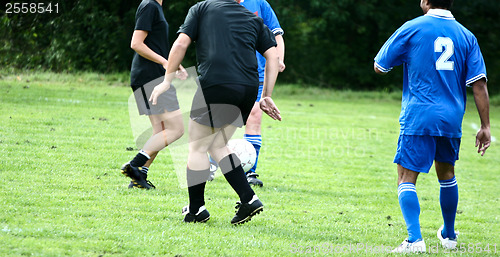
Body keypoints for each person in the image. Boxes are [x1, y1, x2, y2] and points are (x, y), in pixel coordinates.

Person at [150, 0, 281, 224]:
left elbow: (181, 44)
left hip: (216, 84)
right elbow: (273, 57)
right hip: (247, 89)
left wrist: (166, 81)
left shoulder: (201, 8)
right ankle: (248, 199)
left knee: (198, 146)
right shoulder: (253, 18)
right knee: (217, 143)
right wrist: (266, 95)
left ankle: (196, 209)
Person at [374, 0, 490, 253]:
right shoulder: (467, 35)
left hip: (419, 115)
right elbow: (479, 85)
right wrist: (485, 126)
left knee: (406, 177)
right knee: (447, 173)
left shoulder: (412, 27)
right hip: (451, 117)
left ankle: (415, 240)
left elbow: (380, 66)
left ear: (425, 1)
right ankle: (449, 235)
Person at [120, 0, 187, 189]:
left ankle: (139, 176)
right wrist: (164, 63)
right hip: (151, 77)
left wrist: (170, 62)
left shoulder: (155, 6)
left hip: (149, 76)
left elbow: (154, 45)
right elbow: (136, 43)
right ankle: (134, 165)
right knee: (176, 129)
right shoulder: (149, 5)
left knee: (161, 131)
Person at [239, 0, 286, 187]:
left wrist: (279, 58)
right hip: (229, 72)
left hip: (257, 73)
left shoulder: (260, 3)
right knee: (222, 121)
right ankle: (211, 164)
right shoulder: (219, 4)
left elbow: (277, 35)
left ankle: (250, 171)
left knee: (254, 117)